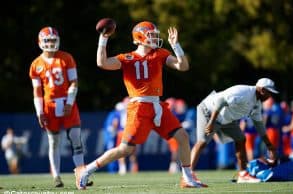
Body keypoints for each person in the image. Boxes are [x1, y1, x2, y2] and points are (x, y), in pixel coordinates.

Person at [74, 21, 204, 189]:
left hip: (158, 106)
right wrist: (103, 39)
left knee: (183, 137)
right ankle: (85, 170)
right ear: (140, 37)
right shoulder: (127, 58)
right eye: (151, 35)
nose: (155, 38)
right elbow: (102, 63)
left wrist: (176, 46)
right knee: (125, 150)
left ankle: (187, 178)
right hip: (139, 108)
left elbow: (183, 66)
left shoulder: (160, 54)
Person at [29, 26, 92, 187]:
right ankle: (56, 176)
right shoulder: (36, 64)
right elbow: (37, 91)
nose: (50, 43)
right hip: (49, 105)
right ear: (40, 42)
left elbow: (74, 83)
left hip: (67, 101)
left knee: (76, 138)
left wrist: (70, 103)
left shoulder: (66, 58)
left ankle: (81, 174)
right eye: (47, 40)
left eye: (53, 40)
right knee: (53, 141)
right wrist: (39, 112)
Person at [191, 78, 278, 183]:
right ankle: (188, 175)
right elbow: (220, 101)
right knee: (202, 142)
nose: (270, 96)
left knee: (241, 139)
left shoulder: (257, 104)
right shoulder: (243, 92)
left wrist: (269, 146)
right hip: (209, 111)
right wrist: (211, 121)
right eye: (269, 93)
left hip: (226, 118)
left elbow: (259, 125)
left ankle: (242, 175)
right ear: (262, 90)